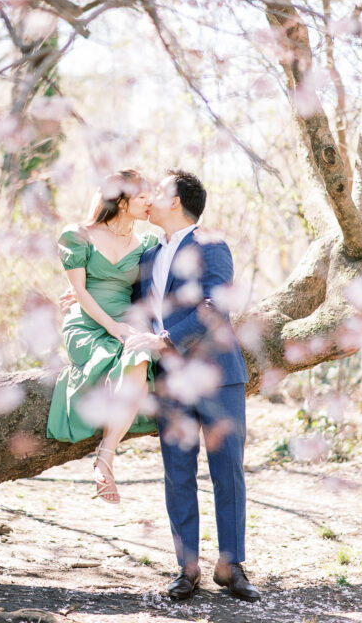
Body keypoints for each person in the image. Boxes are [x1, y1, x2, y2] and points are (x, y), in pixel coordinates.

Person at [121, 169, 259, 603]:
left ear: (177, 201)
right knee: (177, 473)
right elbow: (131, 308)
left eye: (158, 191)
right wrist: (80, 299)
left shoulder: (211, 245)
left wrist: (166, 340)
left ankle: (231, 566)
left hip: (218, 376)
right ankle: (187, 568)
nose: (149, 198)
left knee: (228, 473)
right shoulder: (147, 256)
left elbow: (216, 304)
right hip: (170, 383)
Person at [46, 169, 160, 504]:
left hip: (127, 320)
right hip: (87, 322)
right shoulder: (78, 235)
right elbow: (79, 291)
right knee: (119, 354)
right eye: (142, 196)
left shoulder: (147, 244)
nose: (149, 202)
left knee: (138, 359)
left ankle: (105, 458)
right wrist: (113, 328)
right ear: (122, 200)